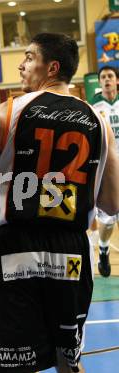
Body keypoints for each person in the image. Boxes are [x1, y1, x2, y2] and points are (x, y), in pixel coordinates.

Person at [0, 33, 119, 372]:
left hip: (16, 247)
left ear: (51, 67)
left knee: (10, 366)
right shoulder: (99, 122)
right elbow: (111, 204)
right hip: (70, 252)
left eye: (28, 57)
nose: (21, 65)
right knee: (68, 361)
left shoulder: (10, 111)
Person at [92, 65, 119, 277]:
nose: (107, 79)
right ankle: (103, 248)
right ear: (99, 82)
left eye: (110, 76)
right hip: (107, 168)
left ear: (117, 81)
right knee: (108, 218)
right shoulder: (94, 106)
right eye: (103, 77)